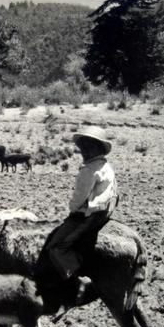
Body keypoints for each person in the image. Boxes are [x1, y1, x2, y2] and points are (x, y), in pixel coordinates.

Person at [35, 125, 118, 309]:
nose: (84, 151)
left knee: (56, 247)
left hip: (90, 214)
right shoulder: (105, 165)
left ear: (93, 149)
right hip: (104, 211)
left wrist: (72, 210)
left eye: (87, 147)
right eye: (84, 147)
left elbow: (78, 198)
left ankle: (79, 279)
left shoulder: (89, 170)